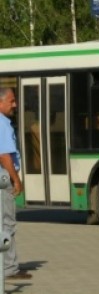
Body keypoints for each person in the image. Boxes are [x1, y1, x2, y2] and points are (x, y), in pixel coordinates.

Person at [0, 87, 32, 281]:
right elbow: (4, 156)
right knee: (7, 222)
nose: (15, 105)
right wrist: (16, 179)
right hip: (4, 177)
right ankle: (9, 268)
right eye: (11, 101)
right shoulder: (2, 123)